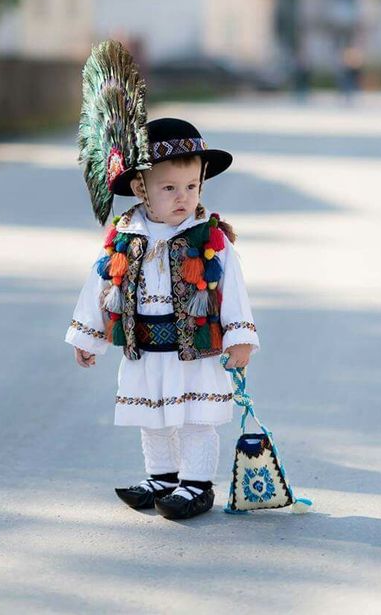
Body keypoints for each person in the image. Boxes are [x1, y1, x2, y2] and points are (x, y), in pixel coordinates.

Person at [65, 41, 260, 520]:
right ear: (140, 188)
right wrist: (88, 335)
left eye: (191, 187)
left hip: (195, 349)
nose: (182, 197)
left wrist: (241, 338)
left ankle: (196, 486)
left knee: (195, 417)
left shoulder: (209, 239)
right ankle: (162, 477)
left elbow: (232, 291)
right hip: (144, 345)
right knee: (151, 417)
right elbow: (101, 286)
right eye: (169, 187)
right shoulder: (124, 237)